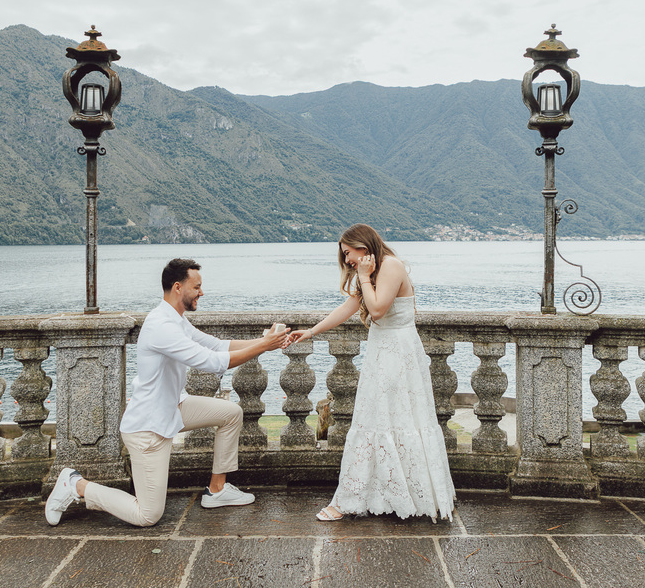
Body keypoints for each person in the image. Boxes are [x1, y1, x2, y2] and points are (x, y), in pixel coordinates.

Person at [46, 258, 291, 527]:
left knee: (231, 413)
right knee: (148, 515)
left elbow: (217, 345)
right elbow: (213, 362)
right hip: (148, 428)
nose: (202, 292)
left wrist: (267, 340)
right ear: (178, 287)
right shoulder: (161, 327)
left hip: (174, 408)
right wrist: (264, 346)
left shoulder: (175, 319)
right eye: (196, 287)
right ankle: (76, 484)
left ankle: (217, 490)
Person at [289, 224, 455, 522]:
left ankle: (397, 496)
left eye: (348, 253)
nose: (348, 260)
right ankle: (381, 494)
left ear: (363, 246)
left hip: (397, 353)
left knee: (394, 418)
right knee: (378, 419)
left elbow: (377, 310)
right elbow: (350, 306)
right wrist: (311, 331)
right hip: (382, 351)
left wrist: (364, 277)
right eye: (345, 256)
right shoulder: (373, 272)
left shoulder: (390, 266)